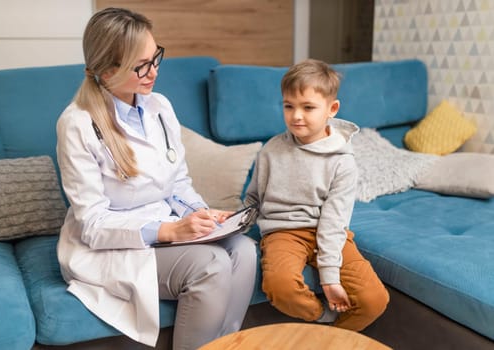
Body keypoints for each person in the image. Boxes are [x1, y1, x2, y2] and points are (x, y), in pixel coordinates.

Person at [55, 7, 257, 350]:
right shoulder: (77, 124)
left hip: (166, 224)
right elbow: (92, 223)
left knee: (245, 250)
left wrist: (201, 213)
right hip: (110, 244)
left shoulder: (159, 106)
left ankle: (222, 345)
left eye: (155, 57)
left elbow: (177, 182)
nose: (154, 72)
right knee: (211, 265)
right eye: (141, 65)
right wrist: (170, 230)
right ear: (106, 71)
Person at [244, 59, 389, 331]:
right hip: (282, 232)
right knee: (279, 286)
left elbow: (334, 222)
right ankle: (319, 322)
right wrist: (235, 223)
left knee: (374, 300)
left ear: (331, 109)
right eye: (289, 106)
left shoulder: (342, 161)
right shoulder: (270, 151)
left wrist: (329, 277)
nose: (296, 115)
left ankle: (331, 339)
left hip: (329, 231)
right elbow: (254, 199)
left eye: (308, 107)